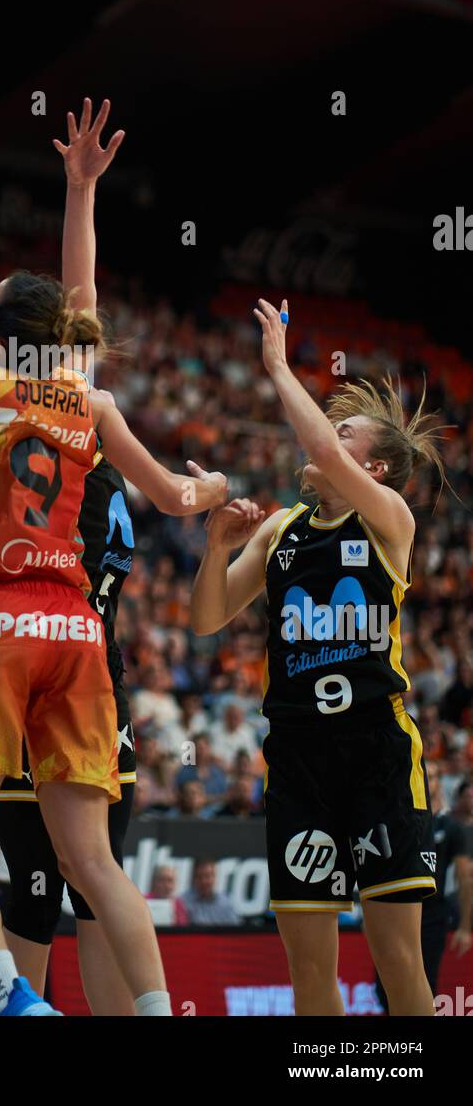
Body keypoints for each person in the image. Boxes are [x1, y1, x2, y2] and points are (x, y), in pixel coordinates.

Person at [0, 117, 227, 1017]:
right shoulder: (86, 400)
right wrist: (211, 486)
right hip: (80, 635)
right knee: (93, 863)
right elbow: (177, 500)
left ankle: (12, 998)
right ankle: (151, 1011)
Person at [191, 297, 447, 1015]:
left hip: (377, 752)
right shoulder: (279, 529)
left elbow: (327, 451)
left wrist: (277, 364)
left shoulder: (389, 520)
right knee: (309, 971)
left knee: (398, 957)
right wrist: (215, 551)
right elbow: (207, 618)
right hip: (299, 758)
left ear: (378, 468)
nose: (323, 441)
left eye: (343, 433)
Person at [0, 100, 139, 1015]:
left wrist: (81, 189)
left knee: (93, 889)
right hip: (31, 664)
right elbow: (75, 311)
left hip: (93, 676)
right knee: (34, 891)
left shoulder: (93, 432)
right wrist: (78, 193)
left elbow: (77, 319)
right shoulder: (58, 415)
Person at [374, 767, 472, 1009]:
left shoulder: (451, 826)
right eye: (424, 776)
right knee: (383, 986)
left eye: (432, 777)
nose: (427, 781)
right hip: (393, 910)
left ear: (438, 783)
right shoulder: (394, 818)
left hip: (431, 914)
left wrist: (465, 927)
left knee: (423, 981)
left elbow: (465, 877)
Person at [182, 858, 241, 927]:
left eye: (207, 876)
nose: (203, 881)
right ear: (194, 879)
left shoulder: (226, 903)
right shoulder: (184, 902)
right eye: (199, 877)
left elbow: (236, 932)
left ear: (214, 877)